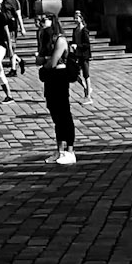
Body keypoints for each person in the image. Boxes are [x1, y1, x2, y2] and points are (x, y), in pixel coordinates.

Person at [38, 16, 76, 164]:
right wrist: (44, 61)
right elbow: (39, 59)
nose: (41, 23)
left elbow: (52, 62)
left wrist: (45, 62)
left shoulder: (60, 40)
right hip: (50, 79)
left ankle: (70, 151)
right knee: (55, 114)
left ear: (52, 22)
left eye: (44, 20)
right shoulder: (45, 39)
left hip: (60, 78)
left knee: (64, 114)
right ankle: (60, 150)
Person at [69, 6, 93, 100]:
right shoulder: (75, 30)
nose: (75, 19)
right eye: (74, 17)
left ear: (81, 18)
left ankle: (88, 95)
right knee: (75, 73)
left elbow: (87, 44)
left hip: (84, 55)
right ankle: (86, 88)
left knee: (86, 74)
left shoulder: (84, 30)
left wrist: (77, 46)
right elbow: (73, 40)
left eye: (77, 17)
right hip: (77, 55)